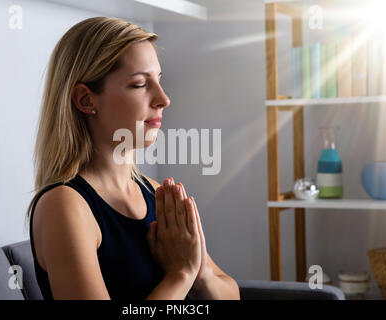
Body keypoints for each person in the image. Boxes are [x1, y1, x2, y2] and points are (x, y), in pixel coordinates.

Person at [26, 16, 240, 300]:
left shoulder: (154, 191)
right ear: (86, 100)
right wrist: (181, 274)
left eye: (159, 81)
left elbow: (231, 293)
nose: (163, 99)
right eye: (140, 84)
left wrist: (200, 273)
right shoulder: (64, 206)